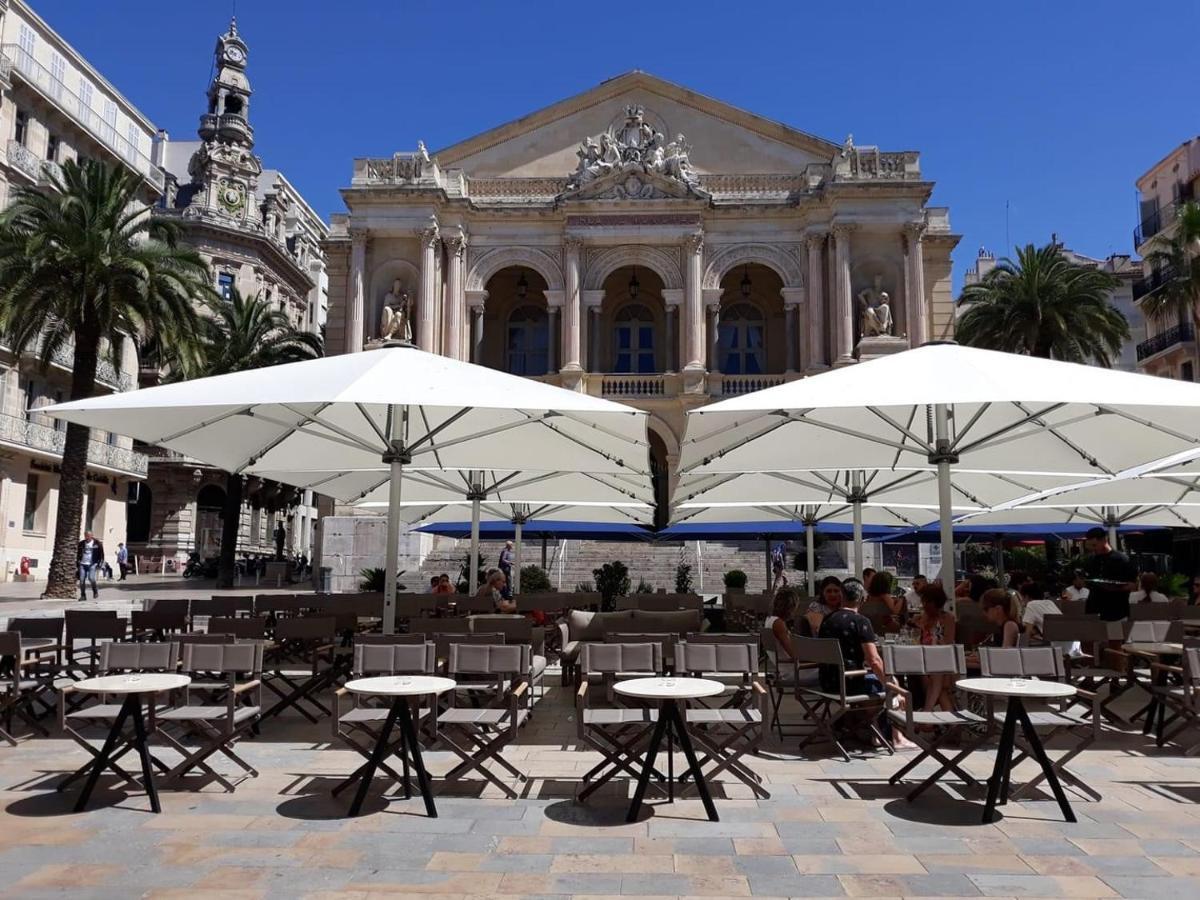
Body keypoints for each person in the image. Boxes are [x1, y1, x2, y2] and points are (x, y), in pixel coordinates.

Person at [1081, 527, 1138, 621]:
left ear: (1104, 540)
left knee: (1116, 635)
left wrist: (1115, 587)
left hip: (1116, 610)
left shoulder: (1121, 560)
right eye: (1090, 546)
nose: (1094, 549)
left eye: (1095, 545)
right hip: (1094, 610)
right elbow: (1087, 580)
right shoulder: (1090, 560)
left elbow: (1133, 585)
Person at [915, 583, 957, 711]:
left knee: (937, 676)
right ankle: (950, 724)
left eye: (928, 602)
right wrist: (920, 627)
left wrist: (936, 639)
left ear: (936, 602)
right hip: (925, 660)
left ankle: (927, 714)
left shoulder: (947, 618)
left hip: (944, 660)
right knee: (940, 685)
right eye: (923, 601)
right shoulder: (922, 618)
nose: (924, 605)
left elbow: (948, 645)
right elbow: (918, 642)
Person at [765, 587, 799, 659]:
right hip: (790, 666)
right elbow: (793, 653)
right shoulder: (778, 623)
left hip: (781, 664)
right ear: (790, 607)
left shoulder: (769, 619)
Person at [77, 531, 105, 600]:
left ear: (92, 536)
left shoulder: (97, 543)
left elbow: (101, 554)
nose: (87, 537)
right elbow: (78, 553)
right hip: (83, 564)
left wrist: (100, 563)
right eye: (86, 535)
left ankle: (95, 591)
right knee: (81, 580)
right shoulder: (81, 543)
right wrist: (78, 562)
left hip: (92, 564)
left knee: (91, 578)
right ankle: (83, 595)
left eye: (89, 536)